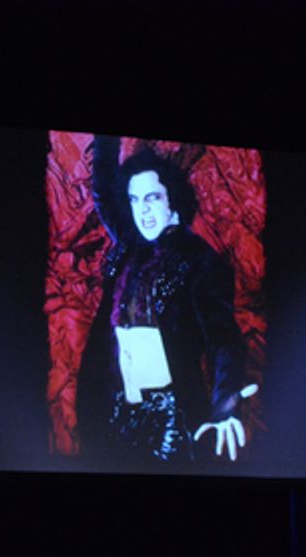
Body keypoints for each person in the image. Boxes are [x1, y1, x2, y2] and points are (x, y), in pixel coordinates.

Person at [76, 136, 254, 465]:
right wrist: (105, 141)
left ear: (172, 200)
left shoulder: (200, 260)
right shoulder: (130, 245)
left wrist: (226, 403)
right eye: (134, 199)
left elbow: (222, 335)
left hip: (171, 418)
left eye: (152, 198)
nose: (142, 210)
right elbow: (102, 191)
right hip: (116, 410)